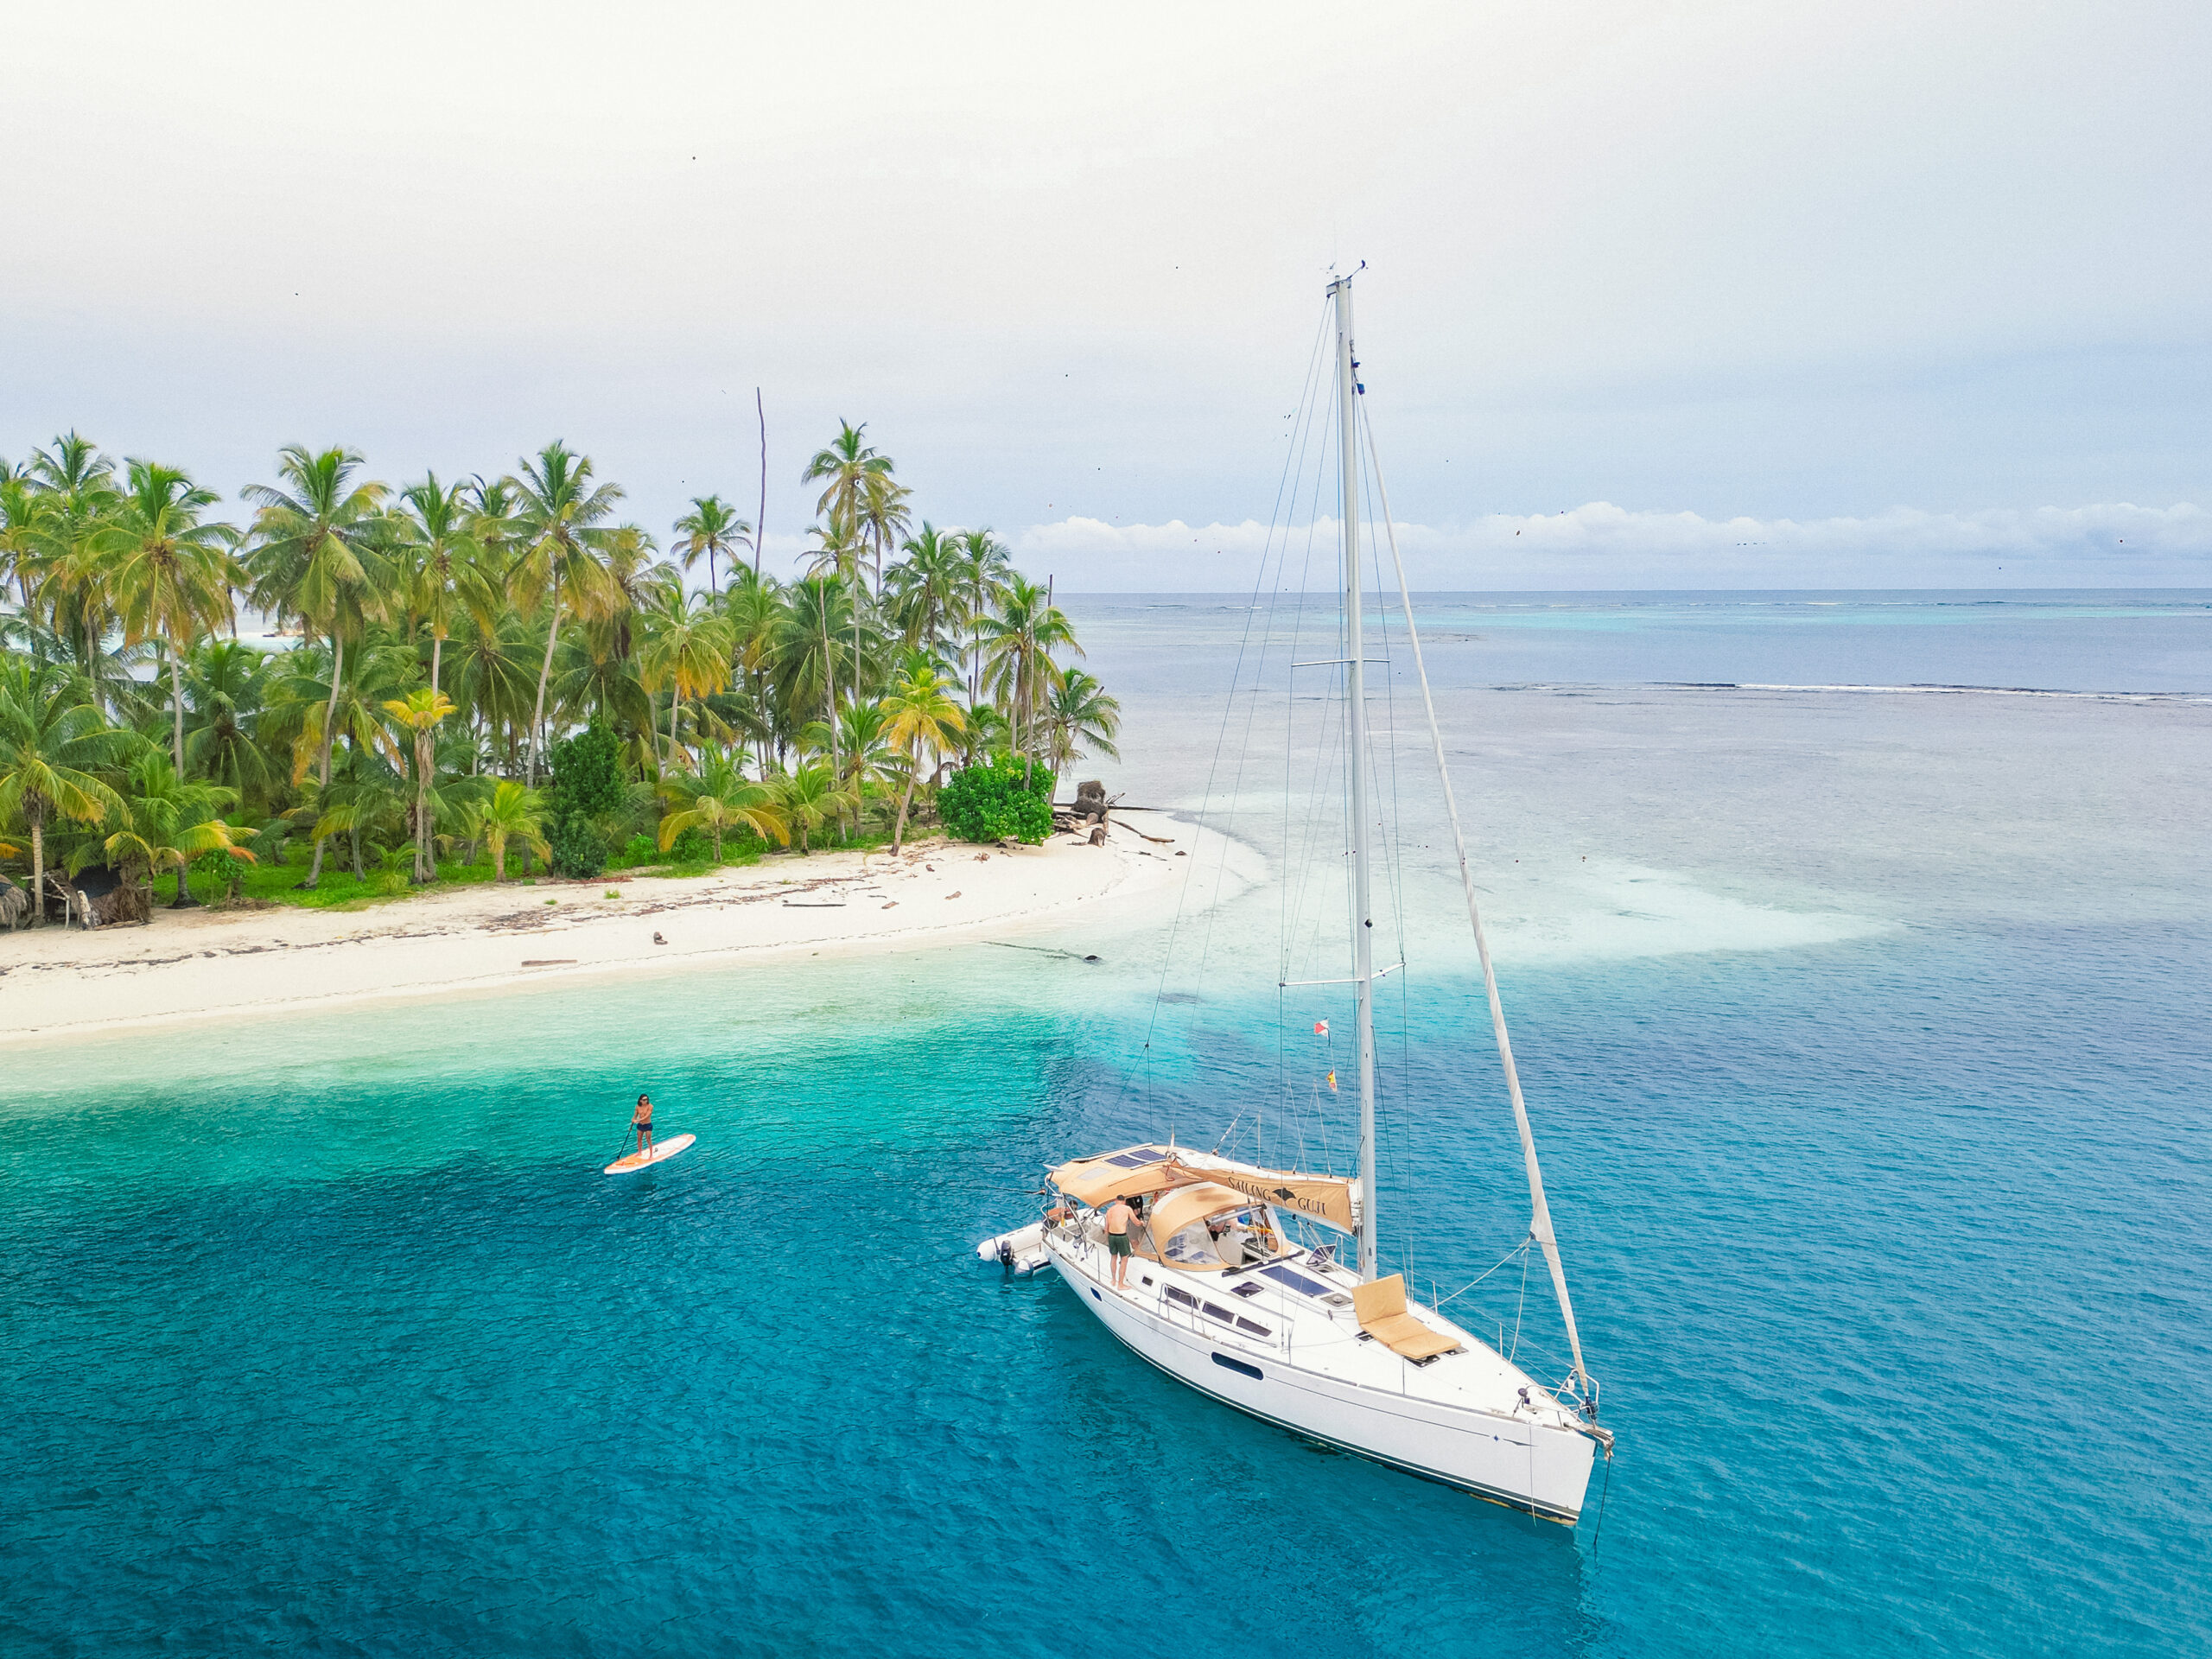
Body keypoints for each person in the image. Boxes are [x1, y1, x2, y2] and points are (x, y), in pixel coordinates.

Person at [1103, 1193, 1137, 1288]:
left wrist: (1108, 1239)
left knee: (1113, 1258)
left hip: (1111, 1236)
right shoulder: (1127, 1209)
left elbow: (1106, 1228)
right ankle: (1120, 1284)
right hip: (1121, 1236)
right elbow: (1136, 1222)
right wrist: (1141, 1223)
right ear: (1124, 1201)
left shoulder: (1110, 1210)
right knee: (1124, 1259)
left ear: (1115, 1201)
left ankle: (1113, 1280)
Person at [631, 1093, 654, 1158]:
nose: (646, 1101)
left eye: (647, 1099)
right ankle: (639, 1152)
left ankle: (651, 1155)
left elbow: (647, 1116)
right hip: (640, 1125)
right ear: (640, 1100)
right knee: (639, 1139)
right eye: (644, 1100)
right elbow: (635, 1115)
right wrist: (633, 1121)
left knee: (648, 1139)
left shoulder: (650, 1106)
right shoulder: (637, 1106)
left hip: (648, 1125)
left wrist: (637, 1120)